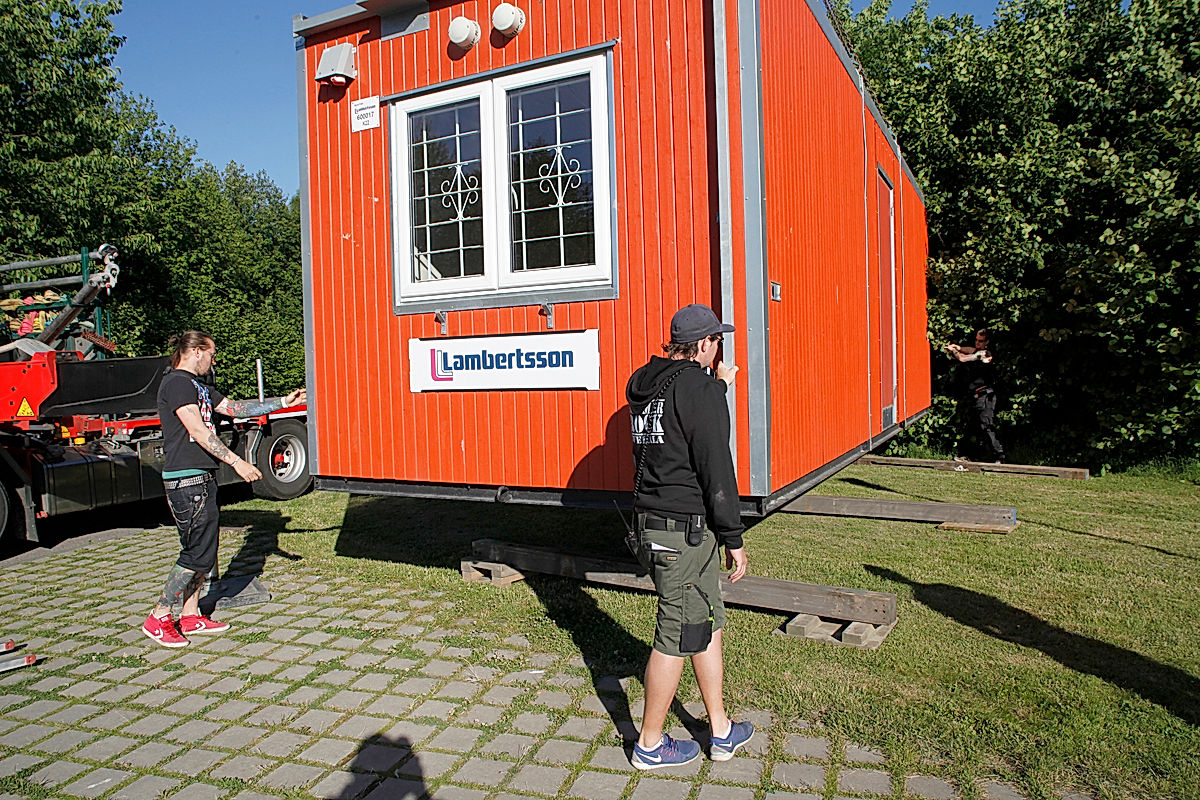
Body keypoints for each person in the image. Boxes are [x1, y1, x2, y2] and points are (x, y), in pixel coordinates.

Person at [624, 303, 753, 769]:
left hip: (655, 522)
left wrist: (715, 385)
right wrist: (734, 537)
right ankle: (650, 745)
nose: (719, 348)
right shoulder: (699, 389)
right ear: (702, 344)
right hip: (684, 534)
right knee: (675, 634)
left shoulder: (646, 383)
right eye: (716, 340)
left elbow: (679, 419)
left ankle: (720, 731)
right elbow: (716, 469)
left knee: (709, 621)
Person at [141, 331, 306, 648]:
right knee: (195, 552)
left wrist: (283, 402)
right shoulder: (176, 383)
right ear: (196, 351)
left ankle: (190, 615)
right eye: (212, 353)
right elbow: (199, 432)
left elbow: (234, 409)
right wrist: (237, 462)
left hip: (202, 477)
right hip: (185, 479)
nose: (214, 360)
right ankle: (159, 616)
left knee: (205, 548)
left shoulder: (199, 386)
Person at [944, 327, 1005, 463]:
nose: (977, 343)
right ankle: (970, 456)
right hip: (978, 397)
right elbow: (969, 350)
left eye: (981, 341)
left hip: (985, 397)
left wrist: (954, 351)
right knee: (972, 427)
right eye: (976, 340)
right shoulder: (977, 351)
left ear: (987, 342)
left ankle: (999, 456)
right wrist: (958, 347)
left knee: (986, 425)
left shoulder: (985, 354)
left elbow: (964, 358)